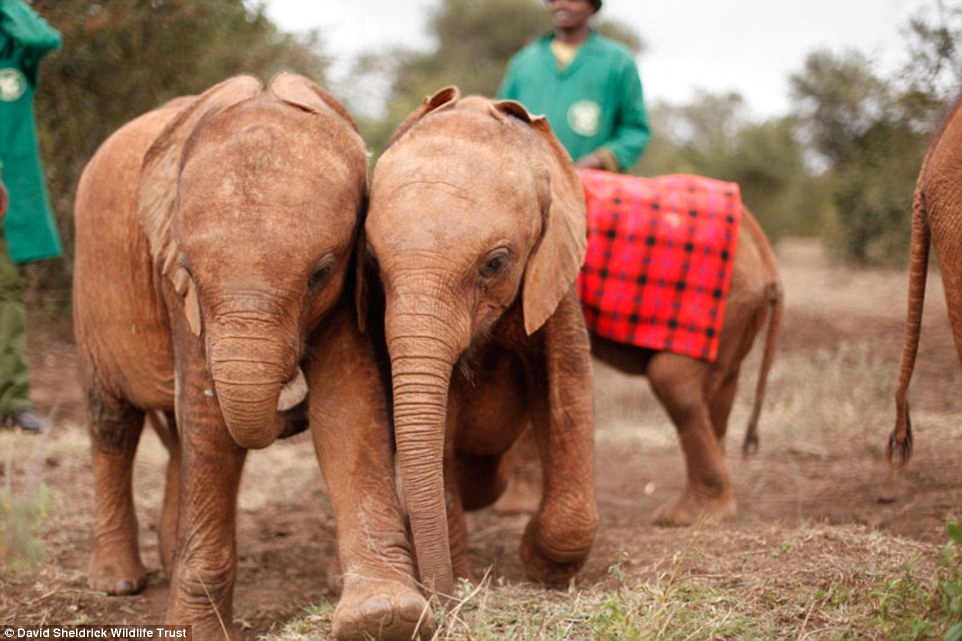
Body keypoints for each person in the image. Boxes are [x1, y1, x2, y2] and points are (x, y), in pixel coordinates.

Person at [0, 0, 62, 432]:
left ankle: (14, 402)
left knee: (6, 297)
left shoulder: (16, 62)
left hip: (5, 208)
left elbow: (44, 37)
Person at [497, 0, 650, 172]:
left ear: (592, 6)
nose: (562, 5)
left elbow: (635, 130)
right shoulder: (524, 61)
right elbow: (500, 120)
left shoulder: (619, 61)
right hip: (529, 183)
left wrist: (600, 159)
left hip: (590, 187)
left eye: (573, 0)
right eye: (555, 0)